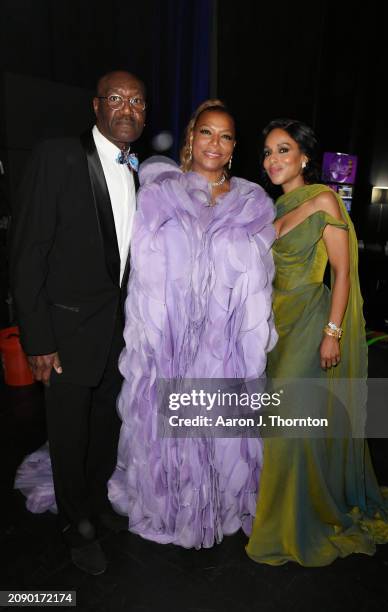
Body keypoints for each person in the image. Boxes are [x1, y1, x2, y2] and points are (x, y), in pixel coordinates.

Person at [107, 99, 278, 548]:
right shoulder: (160, 194)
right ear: (191, 137)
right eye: (206, 132)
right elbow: (142, 271)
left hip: (224, 345)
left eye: (224, 136)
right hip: (171, 341)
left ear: (234, 146)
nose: (214, 143)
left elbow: (260, 280)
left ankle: (217, 507)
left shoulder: (253, 203)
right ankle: (174, 508)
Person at [246, 119, 388, 566]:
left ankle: (295, 518)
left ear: (303, 158)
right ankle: (290, 501)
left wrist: (332, 332)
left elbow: (344, 273)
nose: (273, 159)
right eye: (267, 152)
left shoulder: (323, 200)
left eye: (283, 150)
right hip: (274, 327)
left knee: (288, 427)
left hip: (311, 326)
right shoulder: (269, 210)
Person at [10, 70, 146, 575]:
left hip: (118, 331)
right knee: (67, 433)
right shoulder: (58, 156)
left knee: (106, 424)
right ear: (96, 106)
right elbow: (28, 254)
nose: (127, 108)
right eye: (116, 98)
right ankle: (74, 524)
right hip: (64, 333)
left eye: (137, 101)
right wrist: (38, 337)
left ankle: (94, 502)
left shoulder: (138, 172)